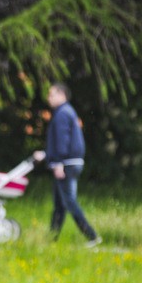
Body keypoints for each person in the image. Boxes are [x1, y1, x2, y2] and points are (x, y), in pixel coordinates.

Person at [34, 82, 101, 248]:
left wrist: (57, 163)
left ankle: (92, 236)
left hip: (66, 164)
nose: (49, 98)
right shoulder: (66, 112)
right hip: (68, 162)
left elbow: (62, 142)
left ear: (62, 95)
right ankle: (51, 239)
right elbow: (59, 143)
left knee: (69, 202)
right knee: (60, 204)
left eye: (52, 94)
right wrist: (47, 155)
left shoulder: (62, 114)